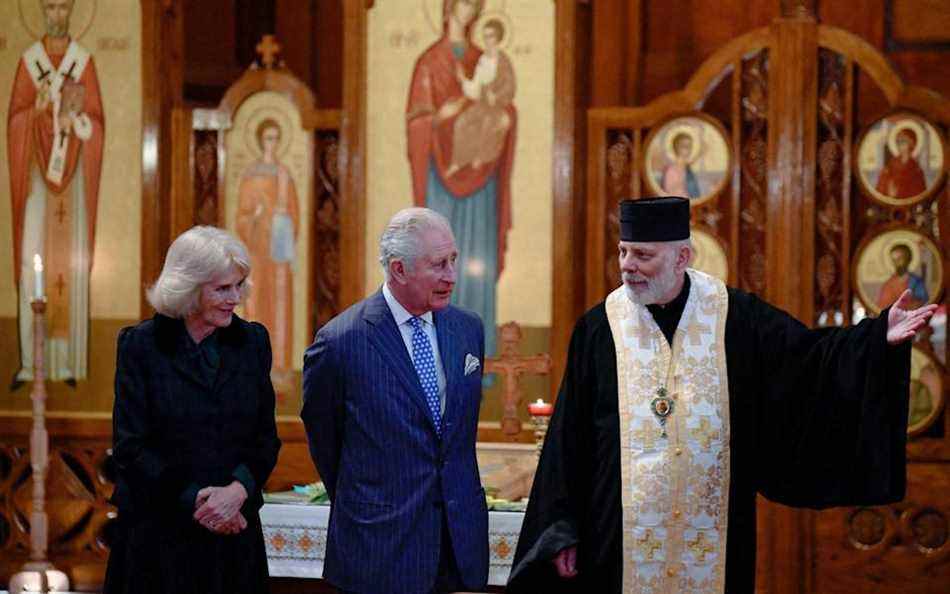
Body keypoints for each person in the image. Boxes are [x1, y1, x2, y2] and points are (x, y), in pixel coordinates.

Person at [508, 197, 936, 593]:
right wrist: (562, 528)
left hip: (711, 535)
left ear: (682, 257)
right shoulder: (599, 328)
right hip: (616, 538)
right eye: (623, 251)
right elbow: (569, 437)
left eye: (643, 255)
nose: (627, 266)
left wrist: (877, 339)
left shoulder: (735, 316)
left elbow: (810, 361)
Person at [302, 207, 489, 593]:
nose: (451, 275)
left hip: (458, 547)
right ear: (399, 269)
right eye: (438, 264)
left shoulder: (468, 328)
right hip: (379, 547)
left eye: (453, 259)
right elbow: (326, 442)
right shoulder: (341, 342)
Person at [104, 226, 281, 594]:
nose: (236, 298)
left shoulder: (252, 342)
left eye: (239, 285)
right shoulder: (141, 346)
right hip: (159, 535)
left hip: (235, 535)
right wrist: (199, 500)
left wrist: (237, 491)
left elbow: (265, 439)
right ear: (187, 287)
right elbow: (131, 447)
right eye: (222, 288)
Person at [406, 0, 517, 357]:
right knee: (439, 253)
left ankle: (475, 357)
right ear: (449, 6)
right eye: (464, 2)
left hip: (482, 177)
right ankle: (436, 351)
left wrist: (495, 111)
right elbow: (417, 121)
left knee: (475, 255)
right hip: (441, 176)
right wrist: (443, 116)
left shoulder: (483, 56)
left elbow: (504, 101)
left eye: (476, 4)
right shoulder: (429, 62)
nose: (470, 9)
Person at [8, 0, 105, 385]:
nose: (57, 15)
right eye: (50, 7)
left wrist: (76, 118)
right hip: (36, 180)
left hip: (73, 182)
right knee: (34, 252)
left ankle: (66, 363)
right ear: (42, 12)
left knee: (68, 265)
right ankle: (33, 363)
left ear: (73, 11)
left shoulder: (84, 63)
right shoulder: (28, 62)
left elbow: (96, 124)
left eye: (64, 7)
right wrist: (38, 110)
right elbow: (15, 119)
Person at [235, 118, 300, 394]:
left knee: (280, 306)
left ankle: (280, 368)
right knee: (257, 303)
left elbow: (295, 215)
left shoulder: (285, 176)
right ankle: (254, 367)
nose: (272, 143)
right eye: (268, 138)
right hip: (257, 254)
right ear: (261, 141)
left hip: (279, 255)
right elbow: (241, 217)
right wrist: (256, 218)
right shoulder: (250, 176)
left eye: (276, 138)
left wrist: (284, 221)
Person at [445, 18, 516, 178]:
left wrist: (496, 96)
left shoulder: (503, 61)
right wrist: (463, 80)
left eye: (490, 36)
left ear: (498, 38)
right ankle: (458, 162)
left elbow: (510, 87)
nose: (487, 40)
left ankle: (480, 160)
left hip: (497, 108)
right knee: (461, 122)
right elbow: (476, 89)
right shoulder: (483, 60)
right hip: (482, 105)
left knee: (487, 125)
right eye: (485, 36)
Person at [875, 127, 927, 200]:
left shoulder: (916, 168)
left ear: (911, 143)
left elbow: (920, 191)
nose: (899, 144)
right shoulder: (891, 164)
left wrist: (899, 191)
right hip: (891, 200)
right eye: (898, 141)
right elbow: (882, 182)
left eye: (903, 141)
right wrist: (888, 189)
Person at [876, 243, 928, 311]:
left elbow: (923, 302)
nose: (896, 263)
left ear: (908, 259)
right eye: (894, 260)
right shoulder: (888, 285)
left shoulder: (916, 282)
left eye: (900, 259)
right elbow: (882, 307)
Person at [660, 133, 700, 198]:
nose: (689, 150)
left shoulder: (685, 166)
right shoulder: (671, 170)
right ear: (677, 148)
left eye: (690, 146)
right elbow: (668, 190)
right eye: (685, 146)